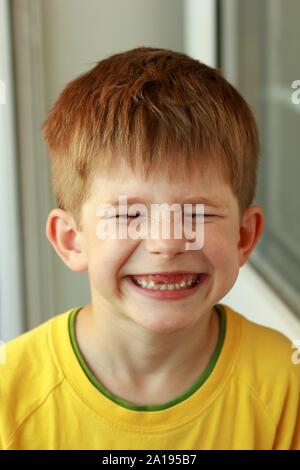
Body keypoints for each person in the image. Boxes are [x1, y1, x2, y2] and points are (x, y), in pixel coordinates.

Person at [0, 47, 299, 450]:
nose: (167, 242)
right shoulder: (10, 394)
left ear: (244, 237)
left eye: (198, 214)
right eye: (128, 215)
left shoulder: (286, 385)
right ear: (72, 240)